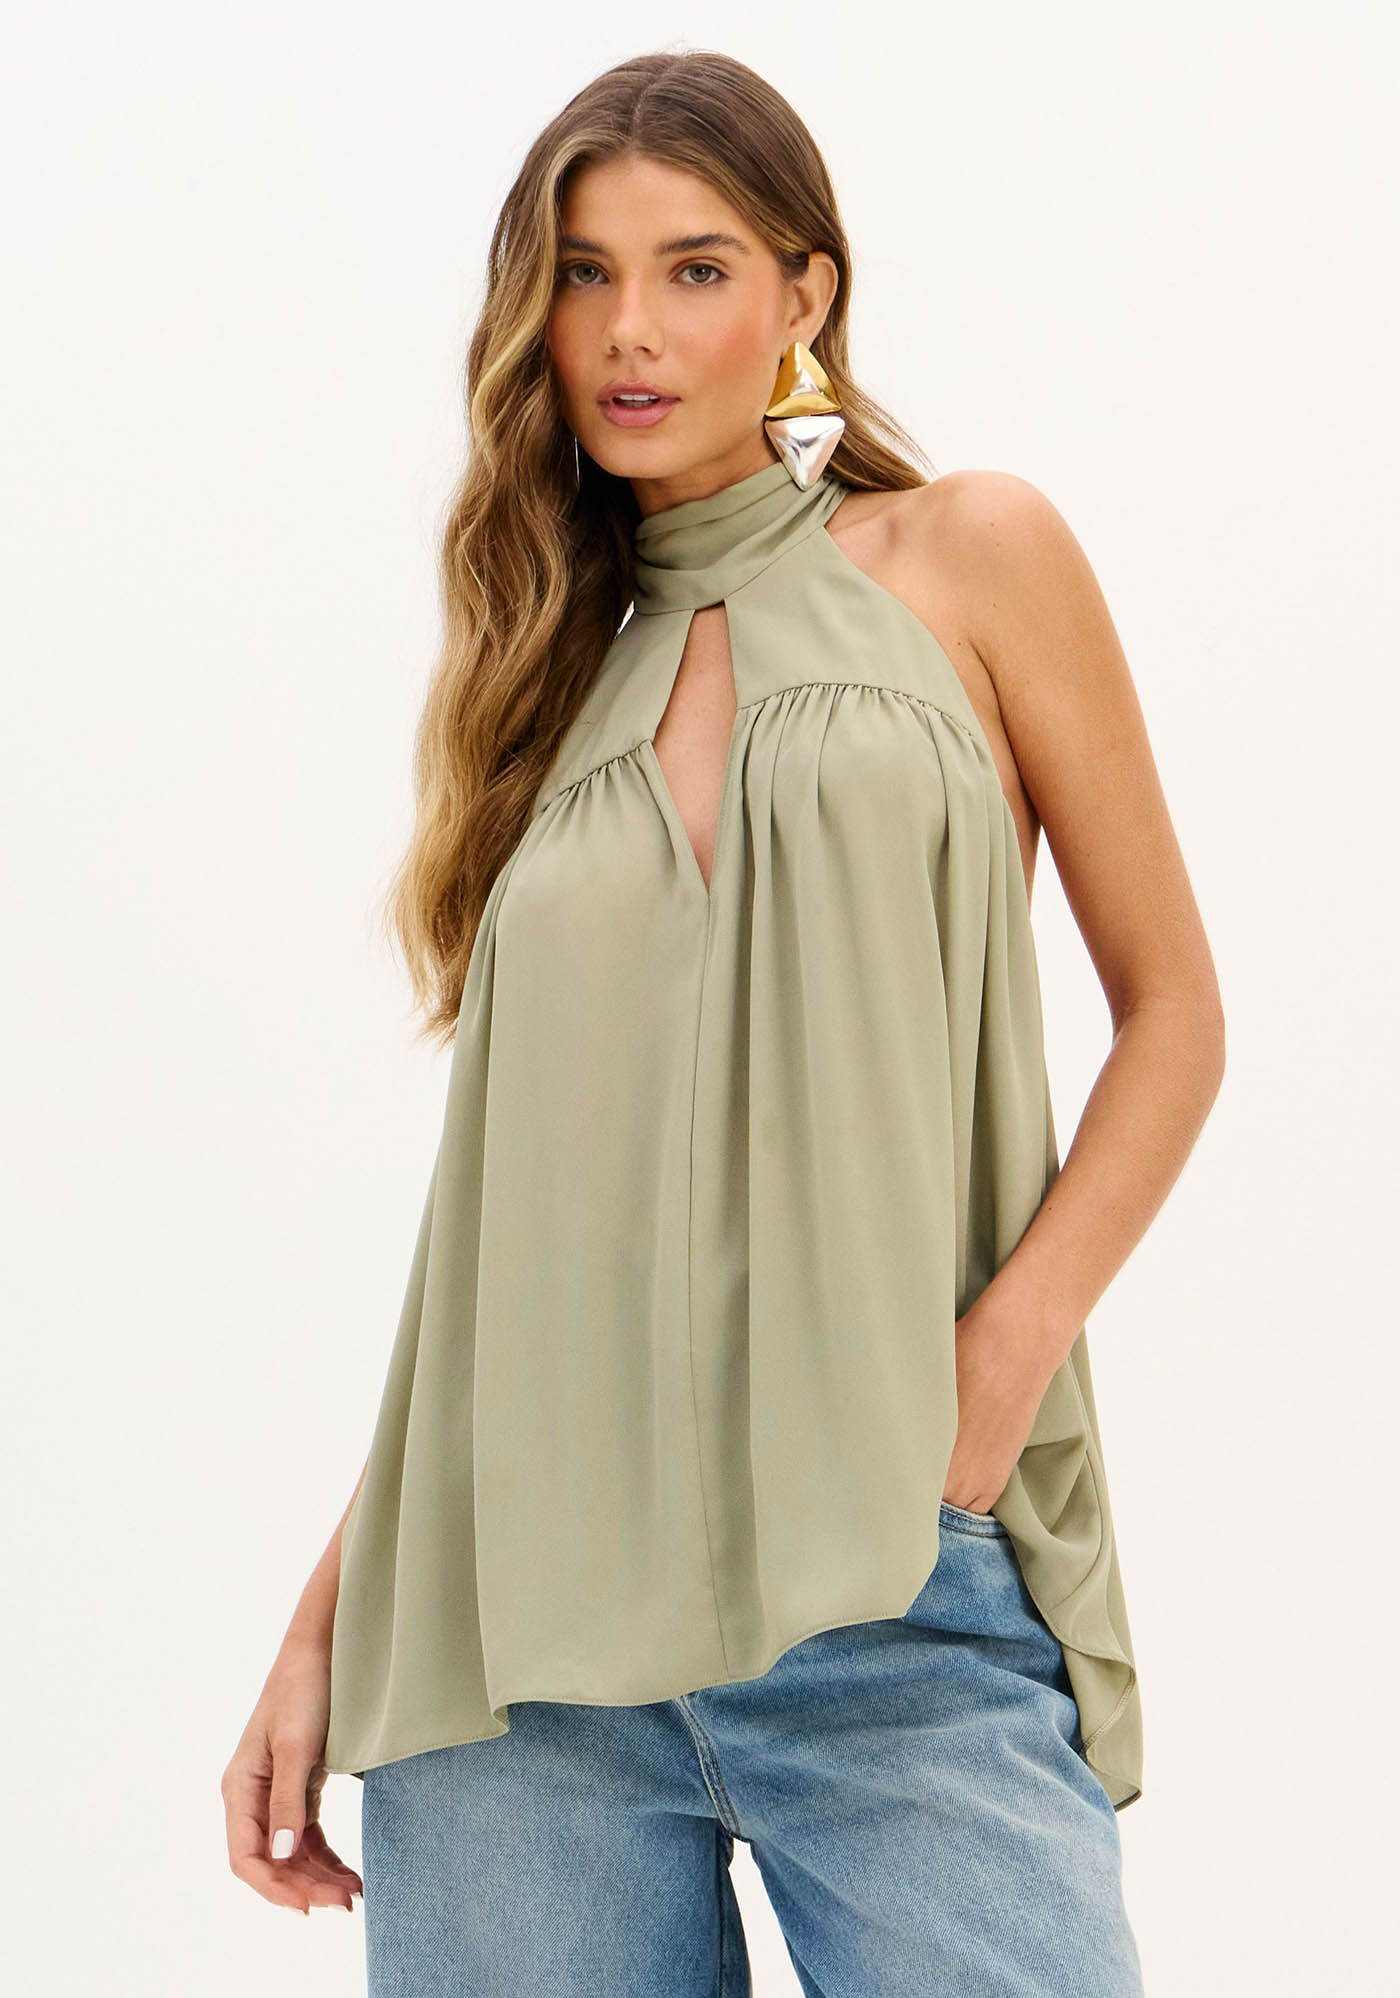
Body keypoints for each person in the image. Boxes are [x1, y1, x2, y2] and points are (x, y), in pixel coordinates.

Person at [222, 47, 1225, 1995]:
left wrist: (1001, 1356)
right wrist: (330, 1613)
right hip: (509, 1655)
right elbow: (510, 1232)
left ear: (802, 294)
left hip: (893, 1584)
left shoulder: (967, 556)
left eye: (692, 269)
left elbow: (1175, 1012)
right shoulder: (541, 686)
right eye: (582, 275)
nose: (630, 329)